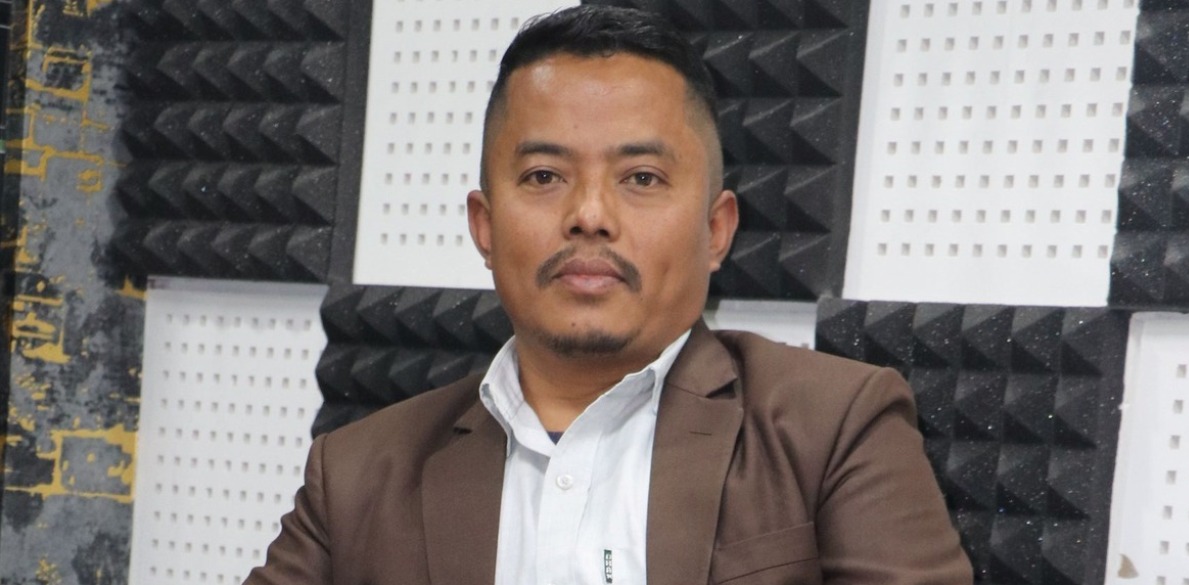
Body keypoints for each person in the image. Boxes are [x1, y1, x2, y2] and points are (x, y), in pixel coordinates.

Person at [244, 5, 972, 584]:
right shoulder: (357, 474)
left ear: (716, 230)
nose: (589, 214)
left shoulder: (835, 427)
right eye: (544, 176)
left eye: (641, 178)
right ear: (485, 227)